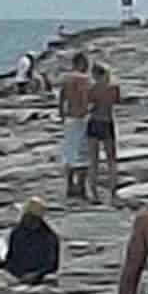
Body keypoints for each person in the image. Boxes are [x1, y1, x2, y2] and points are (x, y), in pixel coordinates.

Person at [58, 53, 92, 199]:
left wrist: (61, 114)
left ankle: (70, 185)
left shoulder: (66, 79)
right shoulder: (84, 79)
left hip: (69, 118)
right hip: (81, 118)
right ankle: (81, 186)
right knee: (83, 154)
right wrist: (87, 111)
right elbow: (85, 97)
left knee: (70, 153)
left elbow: (61, 98)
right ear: (82, 63)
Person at [86, 62, 121, 204]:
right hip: (107, 122)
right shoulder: (113, 88)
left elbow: (89, 105)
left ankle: (93, 193)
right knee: (111, 160)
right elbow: (117, 101)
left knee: (93, 160)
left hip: (94, 122)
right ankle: (113, 193)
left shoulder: (92, 89)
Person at [4, 197, 60, 284]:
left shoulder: (49, 237)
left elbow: (51, 265)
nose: (24, 219)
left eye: (27, 216)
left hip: (40, 278)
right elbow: (10, 258)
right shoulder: (17, 233)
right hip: (16, 277)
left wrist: (36, 275)